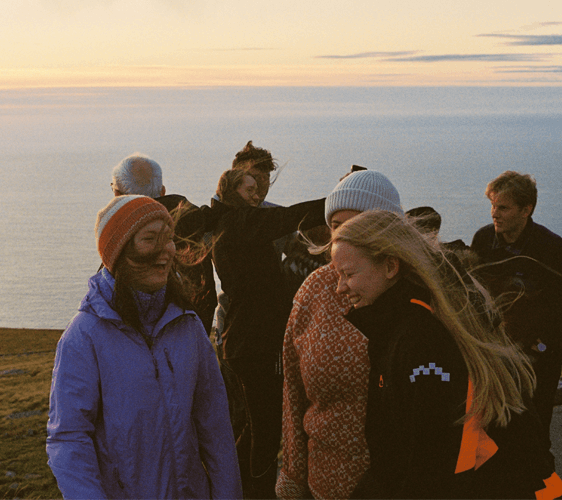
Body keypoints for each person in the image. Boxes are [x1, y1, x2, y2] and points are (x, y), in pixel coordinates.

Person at [331, 209, 562, 499]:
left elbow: (429, 469)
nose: (339, 288)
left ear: (391, 266)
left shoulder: (421, 344)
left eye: (348, 274)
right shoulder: (413, 323)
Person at [46, 195, 242, 499]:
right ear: (118, 252)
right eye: (149, 239)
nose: (165, 251)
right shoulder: (84, 336)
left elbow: (215, 426)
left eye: (169, 239)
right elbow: (69, 438)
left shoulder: (187, 326)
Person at [277, 169, 403, 500]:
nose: (343, 236)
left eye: (357, 225)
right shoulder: (315, 290)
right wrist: (292, 472)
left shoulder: (420, 299)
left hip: (403, 484)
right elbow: (292, 389)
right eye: (336, 226)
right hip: (326, 484)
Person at [211, 168, 326, 499]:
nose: (257, 194)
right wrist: (335, 201)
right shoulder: (242, 223)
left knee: (253, 423)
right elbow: (288, 217)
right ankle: (256, 491)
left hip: (243, 340)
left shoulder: (227, 224)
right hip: (257, 343)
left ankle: (237, 486)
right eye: (249, 188)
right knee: (267, 426)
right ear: (232, 191)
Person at [471, 171, 562, 436]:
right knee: (494, 433)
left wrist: (540, 348)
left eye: (503, 207)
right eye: (492, 205)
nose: (494, 213)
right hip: (493, 355)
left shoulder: (556, 250)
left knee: (535, 433)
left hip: (538, 361)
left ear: (526, 209)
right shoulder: (482, 241)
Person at [110, 152, 218, 335]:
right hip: (195, 337)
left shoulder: (127, 245)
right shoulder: (192, 225)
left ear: (117, 195)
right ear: (162, 191)